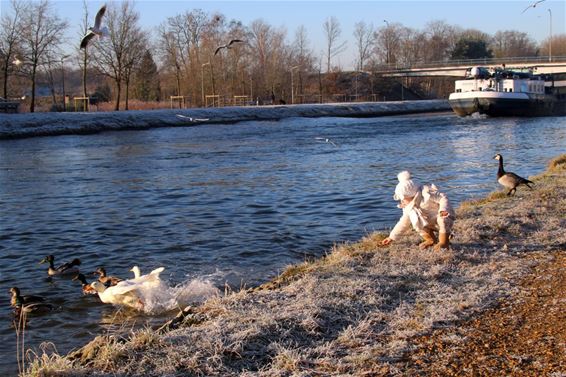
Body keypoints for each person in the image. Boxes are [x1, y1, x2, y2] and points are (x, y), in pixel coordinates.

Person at [381, 171, 454, 251]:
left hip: (440, 215)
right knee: (416, 221)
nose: (402, 201)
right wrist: (391, 237)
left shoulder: (426, 194)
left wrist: (443, 209)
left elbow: (442, 198)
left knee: (443, 220)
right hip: (427, 221)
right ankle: (431, 240)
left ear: (411, 194)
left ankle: (444, 243)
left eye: (404, 198)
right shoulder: (409, 207)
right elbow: (403, 223)